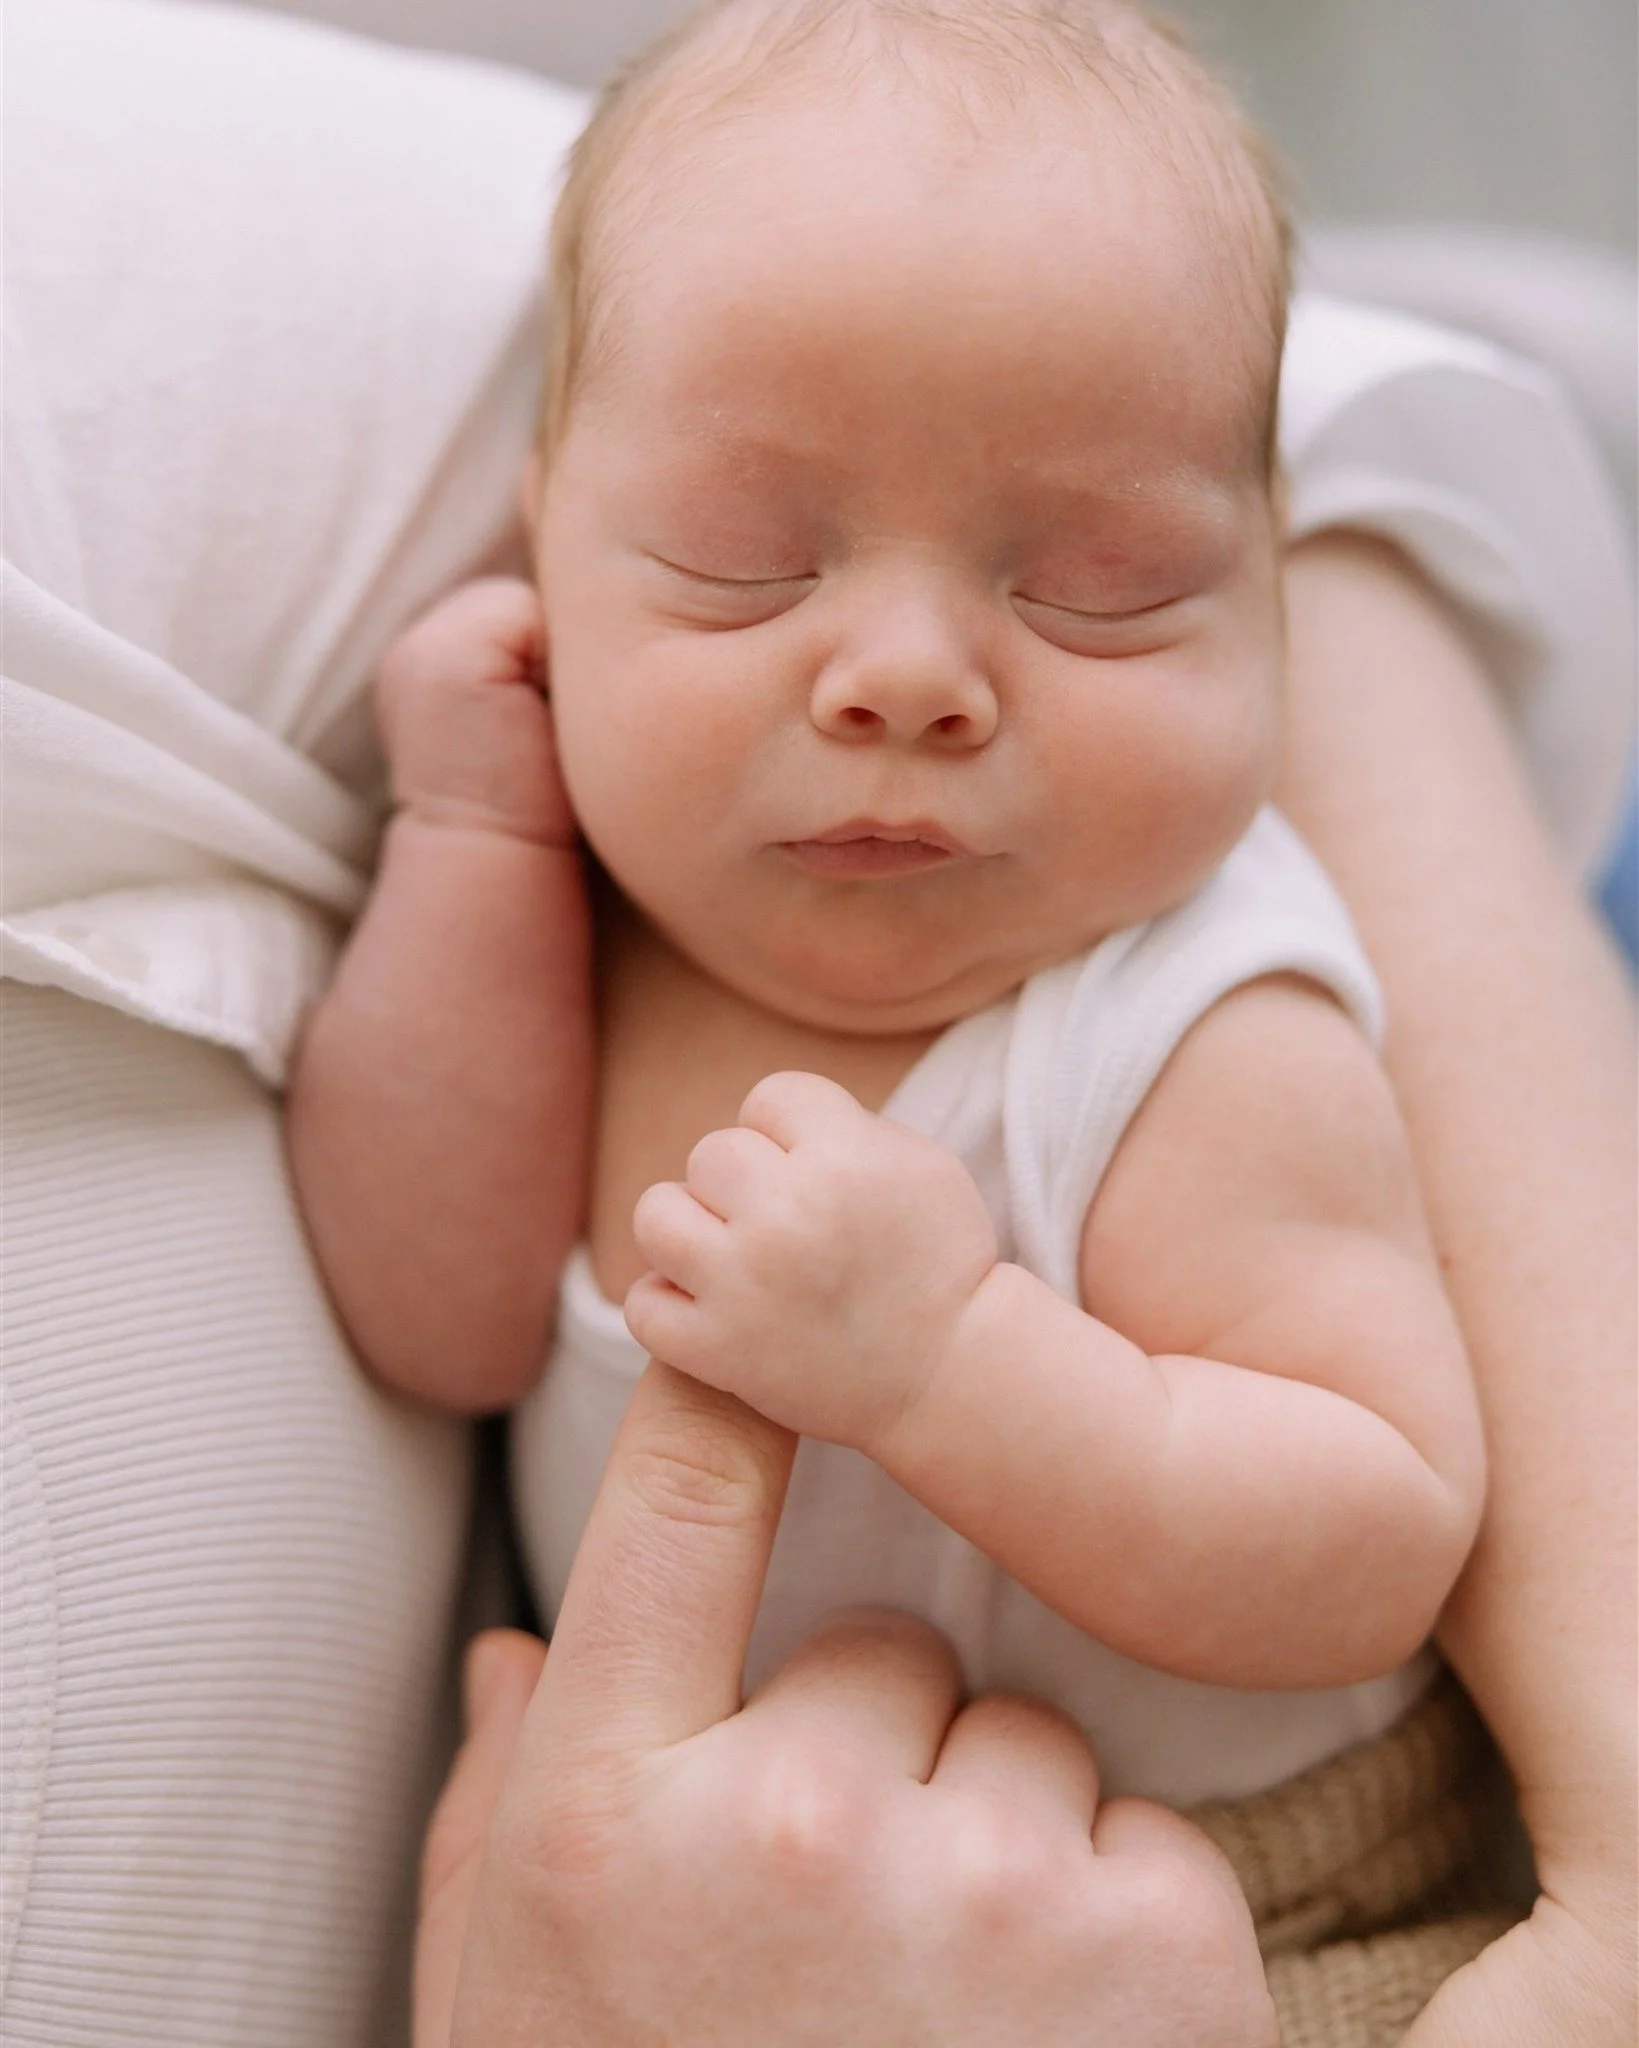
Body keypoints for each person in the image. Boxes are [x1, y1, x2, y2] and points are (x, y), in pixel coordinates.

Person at [4, 0, 1630, 2041]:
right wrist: (470, 833)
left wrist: (956, 1363)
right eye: (743, 566)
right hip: (750, 1908)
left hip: (1280, 1880)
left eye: (1101, 589)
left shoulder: (1195, 1031)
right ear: (545, 541)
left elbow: (1372, 1533)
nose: (907, 673)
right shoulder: (593, 929)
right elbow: (439, 1309)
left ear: (1274, 618)